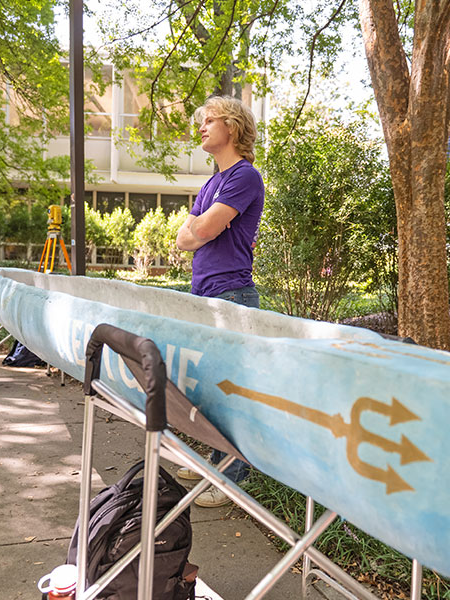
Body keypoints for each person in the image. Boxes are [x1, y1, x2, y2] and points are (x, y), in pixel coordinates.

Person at [175, 95, 264, 507]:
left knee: (230, 391)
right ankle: (212, 463)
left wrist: (200, 227)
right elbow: (182, 239)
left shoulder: (244, 177)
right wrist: (198, 228)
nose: (202, 127)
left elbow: (204, 231)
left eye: (210, 120)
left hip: (232, 293)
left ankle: (230, 480)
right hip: (204, 292)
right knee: (208, 387)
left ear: (232, 126)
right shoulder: (212, 182)